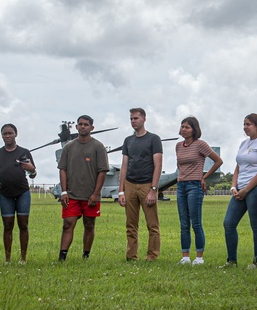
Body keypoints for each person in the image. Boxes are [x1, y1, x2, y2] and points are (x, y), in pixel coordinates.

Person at [222, 113, 257, 268]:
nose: (245, 127)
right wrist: (234, 186)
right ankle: (231, 261)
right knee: (229, 223)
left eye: (248, 124)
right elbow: (238, 166)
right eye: (244, 124)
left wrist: (246, 189)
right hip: (241, 188)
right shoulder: (244, 144)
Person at [57, 115, 109, 261]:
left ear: (92, 127)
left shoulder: (98, 147)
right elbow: (62, 169)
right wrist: (64, 191)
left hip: (90, 196)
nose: (82, 126)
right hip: (72, 195)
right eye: (80, 124)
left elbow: (102, 171)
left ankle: (86, 255)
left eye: (86, 124)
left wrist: (96, 193)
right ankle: (62, 256)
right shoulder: (69, 147)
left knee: (89, 224)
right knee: (68, 224)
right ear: (76, 127)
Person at [174, 116, 223, 265]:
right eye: (182, 127)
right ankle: (185, 256)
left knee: (195, 222)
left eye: (187, 127)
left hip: (194, 186)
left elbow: (218, 161)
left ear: (194, 130)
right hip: (181, 185)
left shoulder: (200, 144)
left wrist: (204, 177)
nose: (184, 129)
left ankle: (199, 257)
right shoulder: (178, 146)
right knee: (183, 223)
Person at [117, 108, 163, 261]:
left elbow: (158, 165)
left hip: (147, 185)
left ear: (144, 119)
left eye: (136, 118)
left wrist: (153, 190)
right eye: (131, 119)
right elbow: (124, 166)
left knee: (152, 225)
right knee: (131, 224)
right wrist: (121, 191)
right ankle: (131, 256)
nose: (133, 121)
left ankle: (152, 256)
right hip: (130, 184)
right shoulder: (128, 141)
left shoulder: (153, 139)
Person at [0, 123, 36, 264]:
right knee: (8, 225)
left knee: (23, 225)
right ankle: (8, 259)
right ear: (2, 136)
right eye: (5, 133)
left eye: (10, 133)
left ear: (16, 134)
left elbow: (33, 174)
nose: (8, 136)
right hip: (5, 195)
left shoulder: (24, 152)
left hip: (22, 193)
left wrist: (31, 169)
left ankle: (23, 258)